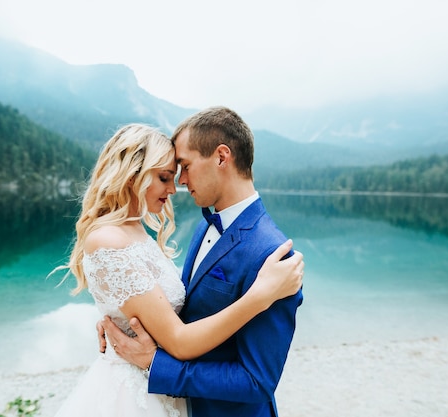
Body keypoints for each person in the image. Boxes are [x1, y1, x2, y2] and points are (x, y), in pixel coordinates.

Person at [53, 123, 304, 417]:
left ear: (222, 157)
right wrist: (124, 319)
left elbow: (257, 381)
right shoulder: (202, 227)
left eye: (183, 168)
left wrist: (153, 361)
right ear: (132, 174)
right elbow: (172, 312)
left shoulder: (272, 255)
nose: (179, 184)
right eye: (167, 176)